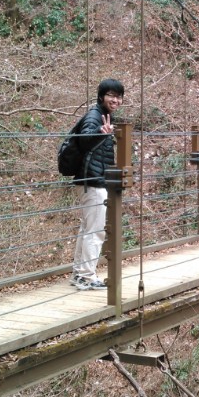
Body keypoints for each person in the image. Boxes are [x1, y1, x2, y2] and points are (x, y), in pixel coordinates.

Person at [70, 78, 125, 290]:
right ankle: (86, 276)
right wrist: (99, 134)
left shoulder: (103, 116)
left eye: (119, 96)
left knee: (87, 229)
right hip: (93, 182)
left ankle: (80, 273)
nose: (116, 100)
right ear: (102, 96)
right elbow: (85, 139)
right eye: (111, 95)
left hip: (90, 180)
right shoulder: (96, 117)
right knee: (96, 230)